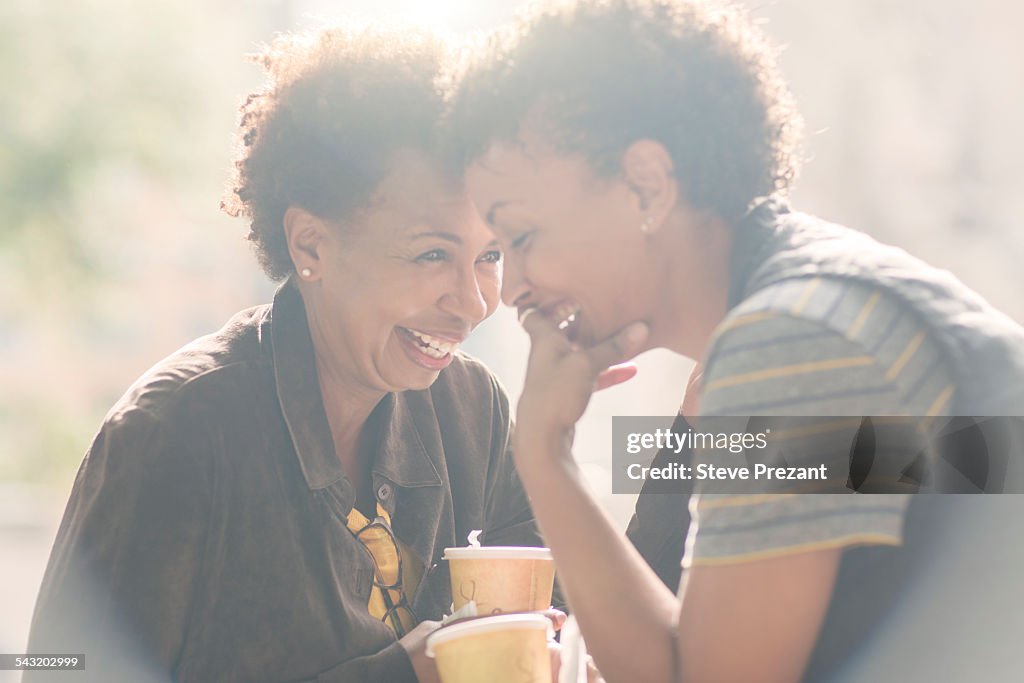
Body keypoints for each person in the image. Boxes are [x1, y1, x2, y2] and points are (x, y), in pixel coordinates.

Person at [448, 0, 1024, 681]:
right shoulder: (816, 304)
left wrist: (545, 454)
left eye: (521, 236)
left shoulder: (790, 339)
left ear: (645, 186)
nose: (511, 287)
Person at [26, 26, 550, 683]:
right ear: (310, 246)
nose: (475, 302)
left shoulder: (474, 413)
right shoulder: (175, 435)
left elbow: (574, 634)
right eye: (432, 254)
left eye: (491, 255)